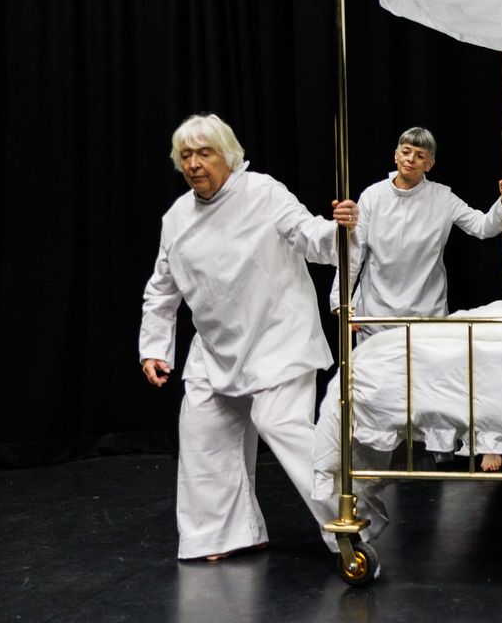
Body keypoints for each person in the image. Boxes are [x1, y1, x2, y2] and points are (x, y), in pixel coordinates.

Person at [139, 113, 359, 561]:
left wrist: (340, 229)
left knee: (284, 427)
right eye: (186, 155)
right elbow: (162, 287)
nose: (195, 164)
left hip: (277, 338)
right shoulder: (177, 217)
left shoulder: (263, 192)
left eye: (205, 153)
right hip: (215, 347)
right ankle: (221, 535)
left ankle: (350, 528)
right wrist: (153, 348)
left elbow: (309, 236)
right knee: (202, 437)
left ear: (228, 156)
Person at [330, 126, 502, 471]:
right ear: (395, 155)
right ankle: (365, 452)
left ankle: (453, 445)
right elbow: (354, 251)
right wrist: (341, 301)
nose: (411, 159)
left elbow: (482, 227)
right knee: (373, 382)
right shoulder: (373, 196)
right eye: (405, 151)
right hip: (377, 308)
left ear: (430, 163)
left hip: (426, 308)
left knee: (440, 381)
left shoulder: (442, 197)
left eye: (419, 155)